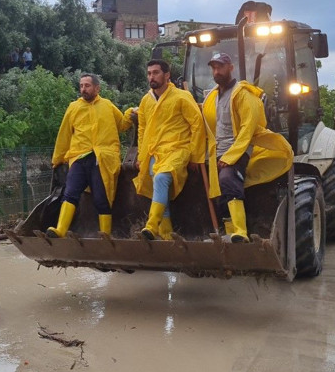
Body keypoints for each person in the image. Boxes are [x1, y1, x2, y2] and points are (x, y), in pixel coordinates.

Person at [201, 53, 293, 243]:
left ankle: (241, 232)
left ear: (230, 68)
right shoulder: (213, 96)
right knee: (217, 191)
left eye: (220, 67)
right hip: (217, 151)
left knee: (228, 179)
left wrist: (231, 157)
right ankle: (228, 232)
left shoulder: (243, 94)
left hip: (239, 149)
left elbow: (247, 128)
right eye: (214, 68)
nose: (216, 71)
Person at [45, 74, 135, 238]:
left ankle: (105, 235)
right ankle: (60, 230)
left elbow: (121, 124)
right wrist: (58, 159)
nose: (83, 89)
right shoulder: (73, 107)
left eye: (87, 85)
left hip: (102, 158)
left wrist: (130, 113)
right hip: (79, 157)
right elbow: (64, 134)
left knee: (102, 197)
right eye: (81, 86)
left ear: (97, 88)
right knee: (70, 192)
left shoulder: (107, 105)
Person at [134, 59, 206, 240]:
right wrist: (142, 156)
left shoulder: (182, 97)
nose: (152, 76)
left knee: (161, 178)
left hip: (178, 148)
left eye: (156, 72)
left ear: (167, 75)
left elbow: (197, 124)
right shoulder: (146, 101)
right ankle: (167, 234)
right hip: (154, 152)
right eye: (149, 73)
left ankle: (151, 225)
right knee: (159, 186)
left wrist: (196, 156)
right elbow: (142, 129)